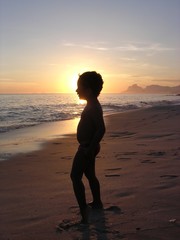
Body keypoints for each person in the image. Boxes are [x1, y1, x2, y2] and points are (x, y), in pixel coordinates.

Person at [70, 71, 106, 224]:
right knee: (90, 175)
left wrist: (89, 148)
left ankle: (84, 210)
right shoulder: (91, 105)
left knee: (75, 176)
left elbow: (101, 128)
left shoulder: (94, 107)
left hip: (86, 147)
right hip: (88, 146)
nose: (76, 90)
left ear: (89, 90)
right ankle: (97, 202)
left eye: (79, 87)